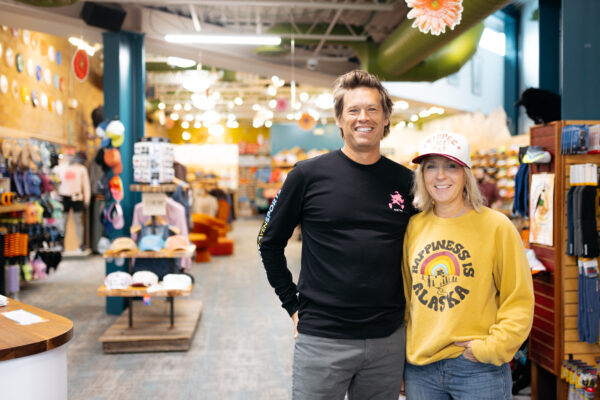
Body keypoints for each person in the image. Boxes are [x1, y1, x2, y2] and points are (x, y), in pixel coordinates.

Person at [257, 69, 415, 399]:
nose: (364, 118)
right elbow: (268, 242)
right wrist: (292, 305)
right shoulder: (307, 176)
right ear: (339, 119)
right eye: (353, 110)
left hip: (386, 340)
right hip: (322, 339)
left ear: (386, 119)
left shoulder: (407, 182)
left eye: (373, 109)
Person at [402, 131, 535, 399]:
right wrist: (402, 362)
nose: (440, 176)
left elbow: (518, 300)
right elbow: (407, 301)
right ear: (422, 175)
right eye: (431, 167)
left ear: (466, 174)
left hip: (478, 369)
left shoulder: (497, 226)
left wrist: (491, 348)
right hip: (421, 371)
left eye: (450, 166)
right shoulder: (414, 227)